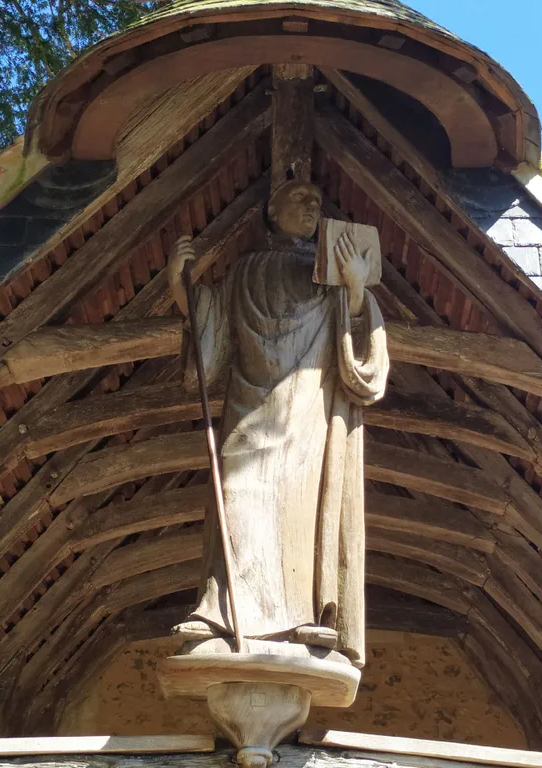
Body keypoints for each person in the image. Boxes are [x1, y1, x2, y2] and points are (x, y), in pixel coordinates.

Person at [169, 180, 388, 668]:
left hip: (309, 418)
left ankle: (303, 616)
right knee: (235, 495)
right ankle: (221, 613)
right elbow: (213, 331)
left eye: (317, 201)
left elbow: (363, 348)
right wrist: (182, 289)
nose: (311, 206)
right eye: (299, 198)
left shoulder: (331, 275)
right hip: (249, 411)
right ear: (272, 209)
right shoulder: (246, 270)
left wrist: (355, 288)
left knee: (302, 515)